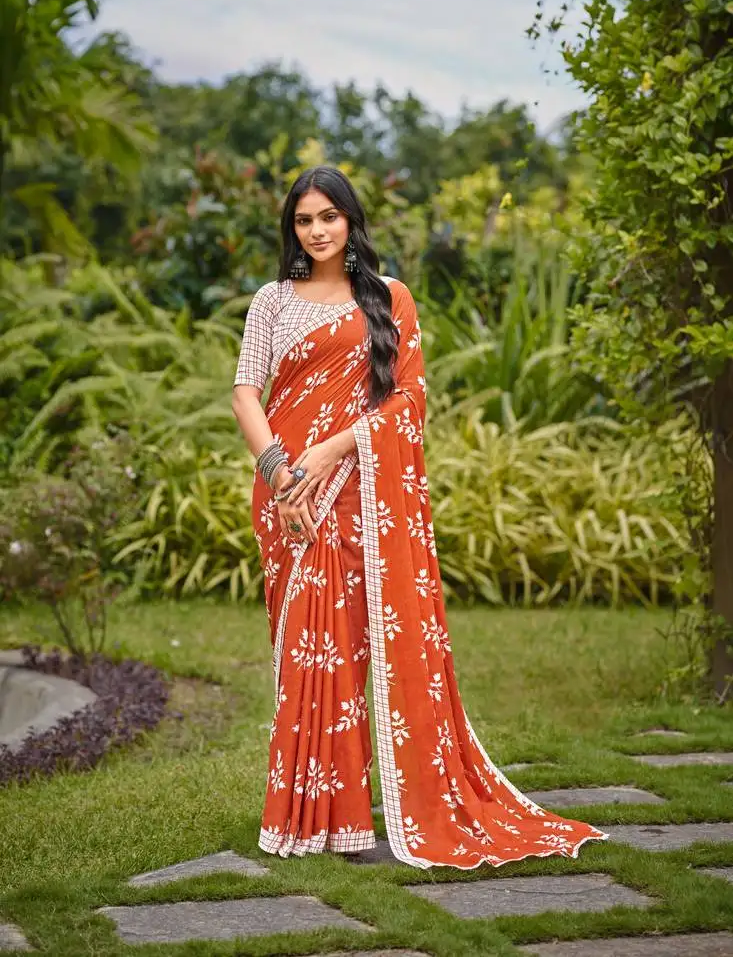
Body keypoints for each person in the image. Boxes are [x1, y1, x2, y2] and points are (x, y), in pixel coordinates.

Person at [232, 165, 608, 868]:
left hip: (353, 489)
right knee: (303, 651)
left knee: (342, 648)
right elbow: (244, 393)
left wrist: (334, 449)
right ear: (292, 228)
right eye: (303, 220)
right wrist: (283, 473)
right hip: (286, 492)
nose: (316, 230)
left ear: (350, 220)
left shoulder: (388, 299)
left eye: (328, 217)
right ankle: (303, 816)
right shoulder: (271, 301)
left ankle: (342, 823)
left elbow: (408, 401)